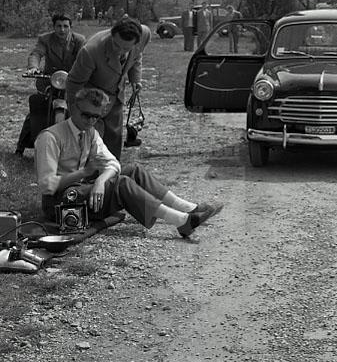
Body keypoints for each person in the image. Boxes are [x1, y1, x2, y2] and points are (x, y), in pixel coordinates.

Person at [35, 88, 222, 238]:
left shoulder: (90, 133)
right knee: (122, 183)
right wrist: (84, 173)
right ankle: (182, 221)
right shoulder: (50, 137)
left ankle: (188, 208)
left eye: (96, 117)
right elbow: (47, 186)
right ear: (73, 107)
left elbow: (113, 164)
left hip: (81, 191)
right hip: (60, 202)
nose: (91, 121)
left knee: (133, 170)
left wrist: (100, 181)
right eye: (86, 115)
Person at [66, 17, 151, 160]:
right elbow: (73, 83)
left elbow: (137, 56)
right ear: (112, 35)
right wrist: (76, 114)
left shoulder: (144, 34)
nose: (120, 51)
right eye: (116, 45)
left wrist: (135, 79)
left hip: (115, 94)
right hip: (91, 96)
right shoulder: (91, 51)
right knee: (90, 140)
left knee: (114, 136)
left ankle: (112, 169)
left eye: (126, 48)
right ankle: (85, 170)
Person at [16, 13, 86, 156]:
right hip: (49, 79)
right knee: (37, 109)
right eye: (58, 26)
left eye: (65, 26)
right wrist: (33, 67)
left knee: (80, 111)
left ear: (70, 27)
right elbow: (36, 53)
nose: (62, 29)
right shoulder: (45, 39)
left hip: (71, 80)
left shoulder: (79, 40)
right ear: (54, 27)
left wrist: (81, 74)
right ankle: (20, 147)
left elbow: (83, 58)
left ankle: (82, 147)